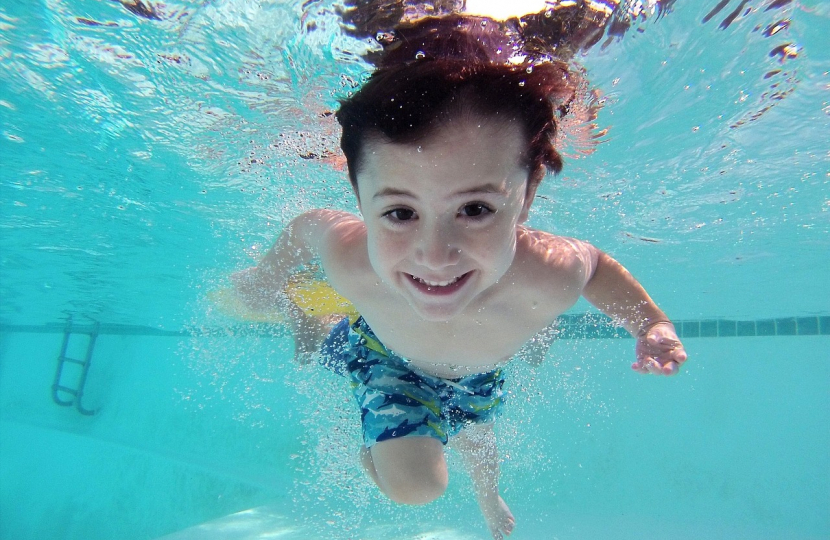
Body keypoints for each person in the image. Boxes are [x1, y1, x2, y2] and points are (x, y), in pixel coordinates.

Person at [231, 13, 688, 540]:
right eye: (401, 213)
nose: (435, 255)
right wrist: (267, 276)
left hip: (476, 375)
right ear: (360, 202)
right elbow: (307, 228)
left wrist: (650, 324)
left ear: (527, 196)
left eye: (474, 209)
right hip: (385, 360)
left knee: (477, 437)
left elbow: (599, 269)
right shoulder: (351, 258)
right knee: (415, 487)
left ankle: (488, 495)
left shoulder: (548, 272)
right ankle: (318, 335)